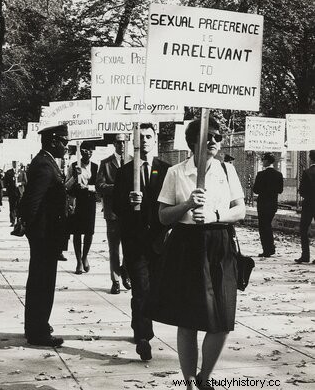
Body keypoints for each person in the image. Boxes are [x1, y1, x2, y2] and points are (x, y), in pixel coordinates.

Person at [148, 117, 245, 390]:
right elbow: (163, 217)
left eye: (217, 137)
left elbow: (240, 210)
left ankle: (205, 378)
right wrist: (188, 204)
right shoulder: (176, 173)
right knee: (188, 319)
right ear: (192, 142)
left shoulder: (227, 171)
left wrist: (215, 214)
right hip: (186, 246)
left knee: (222, 320)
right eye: (207, 137)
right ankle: (190, 381)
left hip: (220, 244)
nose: (213, 141)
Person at [113, 123, 170, 361]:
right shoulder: (126, 172)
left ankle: (141, 324)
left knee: (155, 290)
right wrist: (129, 201)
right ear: (134, 141)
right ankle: (143, 335)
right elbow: (116, 207)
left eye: (148, 136)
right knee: (141, 290)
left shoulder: (167, 170)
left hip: (159, 241)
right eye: (140, 137)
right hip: (135, 242)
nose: (144, 140)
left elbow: (172, 203)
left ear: (155, 139)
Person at [19, 123, 69, 347]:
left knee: (40, 280)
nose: (66, 147)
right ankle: (37, 331)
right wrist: (33, 231)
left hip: (46, 233)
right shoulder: (44, 165)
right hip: (44, 235)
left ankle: (36, 324)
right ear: (53, 142)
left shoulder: (47, 162)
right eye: (64, 142)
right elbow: (32, 202)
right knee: (42, 282)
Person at [96, 133, 131, 294]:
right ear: (114, 144)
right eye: (118, 142)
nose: (121, 145)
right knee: (114, 248)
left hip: (131, 213)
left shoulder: (133, 160)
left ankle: (126, 272)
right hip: (112, 213)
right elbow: (99, 186)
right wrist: (117, 188)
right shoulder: (106, 163)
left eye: (124, 142)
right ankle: (115, 280)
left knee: (130, 246)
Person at [66, 142, 98, 274]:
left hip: (90, 201)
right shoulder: (73, 166)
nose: (88, 153)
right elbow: (66, 185)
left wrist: (88, 187)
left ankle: (85, 257)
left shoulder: (96, 167)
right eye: (85, 150)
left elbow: (99, 186)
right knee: (77, 232)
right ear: (81, 151)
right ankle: (79, 260)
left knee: (89, 232)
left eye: (91, 150)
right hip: (77, 201)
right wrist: (74, 176)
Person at [253, 152, 283, 257]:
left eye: (263, 160)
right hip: (273, 203)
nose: (262, 162)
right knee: (268, 225)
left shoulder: (260, 174)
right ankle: (271, 247)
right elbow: (280, 190)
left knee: (263, 226)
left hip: (262, 203)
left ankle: (267, 249)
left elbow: (255, 190)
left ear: (266, 161)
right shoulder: (279, 175)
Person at [295, 150, 315, 264]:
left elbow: (302, 191)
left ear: (310, 158)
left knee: (303, 229)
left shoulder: (307, 172)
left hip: (309, 203)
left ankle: (305, 255)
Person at [4, 161, 21, 226]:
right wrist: (6, 188)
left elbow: (25, 181)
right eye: (14, 163)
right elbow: (6, 181)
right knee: (12, 207)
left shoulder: (21, 172)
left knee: (19, 207)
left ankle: (19, 221)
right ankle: (13, 221)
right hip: (12, 192)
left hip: (19, 192)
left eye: (16, 163)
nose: (15, 165)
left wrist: (20, 183)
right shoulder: (8, 172)